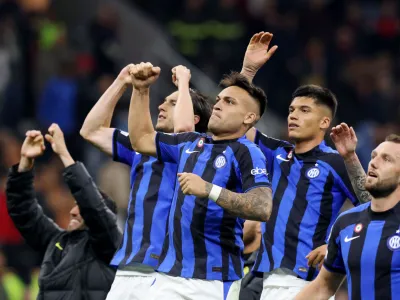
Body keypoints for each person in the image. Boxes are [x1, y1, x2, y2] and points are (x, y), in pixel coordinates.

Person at [127, 62, 272, 300]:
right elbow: (141, 139)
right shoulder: (190, 143)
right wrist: (140, 90)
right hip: (167, 275)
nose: (218, 105)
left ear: (249, 117)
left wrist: (208, 189)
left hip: (212, 281)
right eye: (220, 99)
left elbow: (262, 207)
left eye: (229, 102)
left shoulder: (246, 152)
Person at [239, 32, 360, 299]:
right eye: (292, 110)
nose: (293, 115)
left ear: (324, 123)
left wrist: (335, 246)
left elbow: (373, 208)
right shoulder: (276, 153)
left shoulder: (334, 162)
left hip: (306, 283)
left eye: (305, 110)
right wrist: (247, 72)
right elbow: (236, 125)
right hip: (266, 280)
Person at [80, 64, 213, 300]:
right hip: (130, 265)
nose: (161, 106)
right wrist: (122, 81)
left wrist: (183, 83)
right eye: (164, 101)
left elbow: (184, 130)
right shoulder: (141, 148)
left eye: (172, 103)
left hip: (169, 271)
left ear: (195, 117)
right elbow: (91, 130)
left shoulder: (201, 150)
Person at [6, 123, 121, 299]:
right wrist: (25, 164)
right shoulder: (57, 242)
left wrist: (64, 153)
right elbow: (24, 211)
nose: (73, 212)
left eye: (81, 208)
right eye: (75, 205)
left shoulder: (110, 246)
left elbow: (92, 205)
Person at [295, 125, 400, 300]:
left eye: (386, 159)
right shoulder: (346, 222)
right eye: (373, 156)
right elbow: (323, 286)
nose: (373, 162)